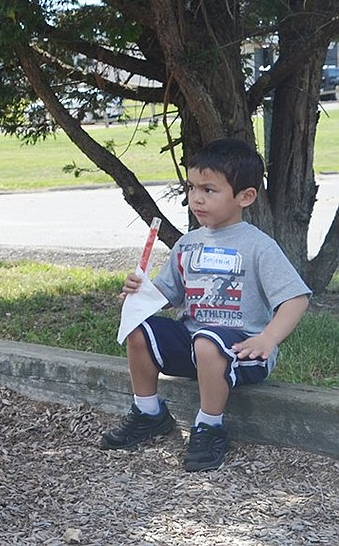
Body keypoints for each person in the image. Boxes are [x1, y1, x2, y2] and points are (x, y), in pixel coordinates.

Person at [103, 138, 311, 472]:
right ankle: (149, 412)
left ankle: (209, 427)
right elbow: (165, 294)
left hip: (244, 352)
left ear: (245, 197)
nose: (196, 198)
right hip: (194, 349)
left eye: (209, 190)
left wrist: (267, 339)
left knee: (208, 340)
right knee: (140, 329)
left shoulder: (259, 246)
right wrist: (139, 292)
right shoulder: (188, 243)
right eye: (192, 187)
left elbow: (295, 298)